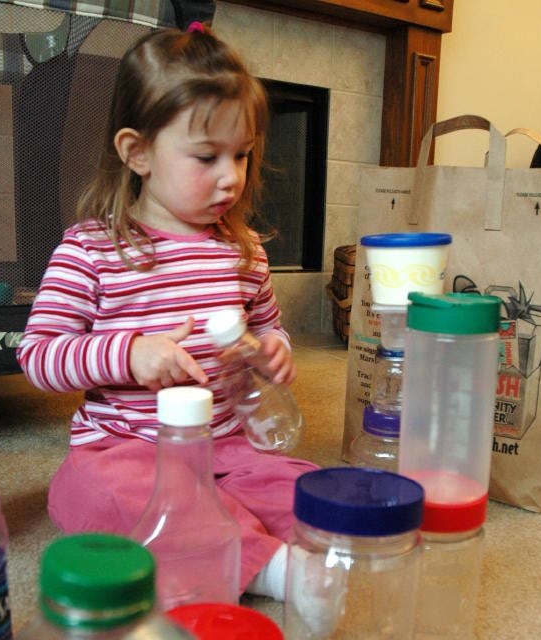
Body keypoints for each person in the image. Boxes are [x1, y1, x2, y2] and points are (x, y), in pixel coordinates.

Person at [17, 22, 318, 601]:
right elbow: (38, 356)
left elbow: (264, 324)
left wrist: (275, 350)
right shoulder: (91, 250)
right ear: (138, 152)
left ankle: (237, 536)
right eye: (207, 156)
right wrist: (128, 353)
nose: (232, 177)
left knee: (300, 487)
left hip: (229, 449)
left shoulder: (244, 250)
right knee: (95, 493)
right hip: (127, 450)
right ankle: (271, 568)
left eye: (243, 155)